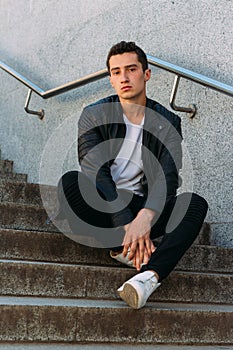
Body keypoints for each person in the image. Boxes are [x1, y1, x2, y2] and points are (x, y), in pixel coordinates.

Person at [56, 41, 208, 309]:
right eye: (116, 72)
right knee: (69, 184)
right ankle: (124, 246)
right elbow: (94, 171)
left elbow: (168, 177)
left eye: (131, 69)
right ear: (110, 80)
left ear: (146, 74)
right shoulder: (94, 114)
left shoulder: (168, 121)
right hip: (106, 204)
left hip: (144, 207)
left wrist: (145, 218)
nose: (124, 77)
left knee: (194, 203)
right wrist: (128, 223)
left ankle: (147, 277)